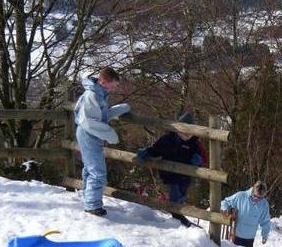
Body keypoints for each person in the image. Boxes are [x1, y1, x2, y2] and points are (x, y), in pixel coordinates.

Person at [74, 67, 131, 217]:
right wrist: (110, 134)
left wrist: (118, 110)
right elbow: (89, 121)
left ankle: (89, 199)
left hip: (90, 134)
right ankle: (92, 206)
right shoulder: (92, 95)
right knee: (97, 171)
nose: (115, 88)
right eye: (113, 85)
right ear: (104, 82)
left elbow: (100, 116)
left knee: (90, 168)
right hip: (89, 134)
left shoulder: (99, 94)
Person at [135, 111, 206, 228]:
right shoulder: (168, 139)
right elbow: (156, 149)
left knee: (180, 197)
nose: (186, 134)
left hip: (185, 177)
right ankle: (179, 220)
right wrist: (147, 152)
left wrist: (198, 160)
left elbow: (203, 158)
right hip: (169, 176)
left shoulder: (195, 144)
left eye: (189, 132)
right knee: (174, 197)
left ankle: (178, 218)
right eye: (183, 131)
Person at [220, 181, 271, 247]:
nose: (256, 199)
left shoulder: (264, 204)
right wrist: (225, 209)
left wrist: (265, 235)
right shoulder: (241, 196)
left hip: (250, 238)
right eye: (255, 196)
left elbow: (265, 221)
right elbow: (225, 202)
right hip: (236, 235)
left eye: (259, 198)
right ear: (253, 190)